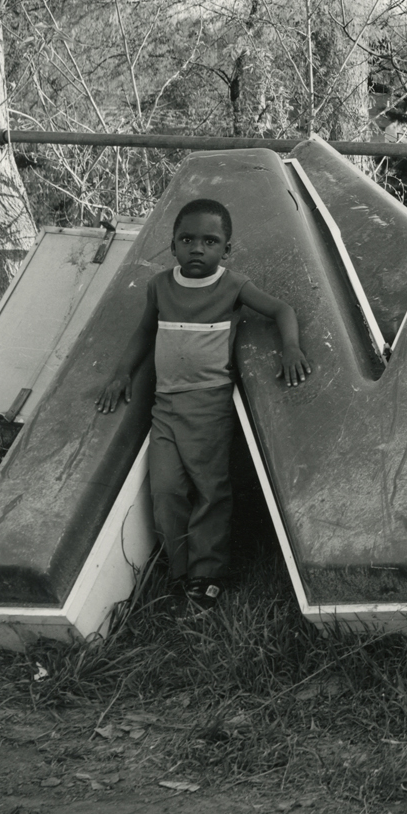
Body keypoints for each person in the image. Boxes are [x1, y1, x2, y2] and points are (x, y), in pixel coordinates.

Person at [96, 198, 310, 610]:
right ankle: (179, 570)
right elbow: (144, 332)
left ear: (226, 251)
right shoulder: (159, 286)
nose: (198, 248)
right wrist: (122, 372)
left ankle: (208, 573)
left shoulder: (233, 286)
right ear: (172, 245)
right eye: (187, 239)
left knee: (211, 490)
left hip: (210, 407)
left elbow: (282, 309)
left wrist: (291, 348)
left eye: (210, 241)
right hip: (164, 408)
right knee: (166, 490)